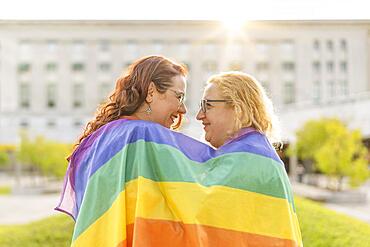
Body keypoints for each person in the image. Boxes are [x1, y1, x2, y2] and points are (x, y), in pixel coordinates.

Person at [57, 67, 302, 246]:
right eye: (182, 98)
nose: (197, 115)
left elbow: (208, 215)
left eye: (207, 105)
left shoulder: (255, 159)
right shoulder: (253, 156)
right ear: (152, 92)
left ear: (236, 106)